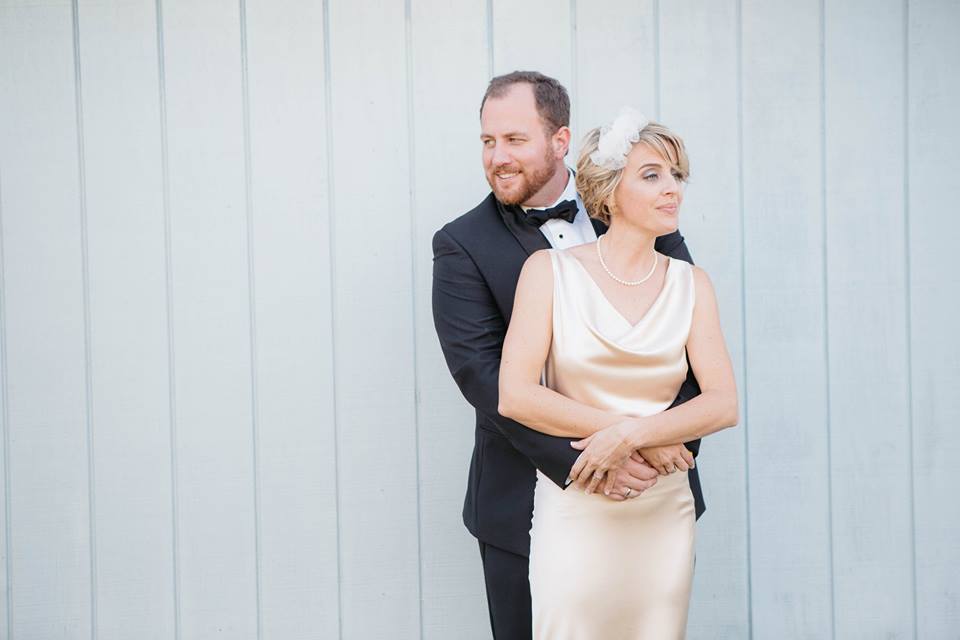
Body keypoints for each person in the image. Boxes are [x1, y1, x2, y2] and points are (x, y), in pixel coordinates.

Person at [432, 71, 705, 639]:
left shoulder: (638, 200)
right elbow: (482, 378)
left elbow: (685, 338)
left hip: (654, 493)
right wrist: (592, 462)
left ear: (560, 141)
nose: (497, 157)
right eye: (487, 141)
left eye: (514, 140)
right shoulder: (461, 245)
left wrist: (656, 446)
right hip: (524, 501)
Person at [497, 107, 739, 637]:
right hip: (578, 504)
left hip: (662, 507)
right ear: (607, 190)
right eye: (652, 175)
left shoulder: (692, 283)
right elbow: (514, 395)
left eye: (677, 176)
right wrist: (619, 435)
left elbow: (723, 404)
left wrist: (630, 435)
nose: (671, 188)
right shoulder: (548, 272)